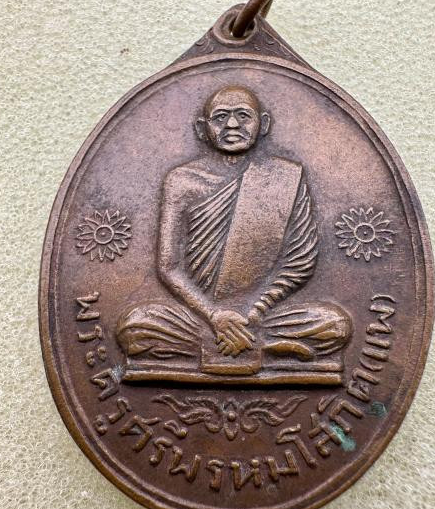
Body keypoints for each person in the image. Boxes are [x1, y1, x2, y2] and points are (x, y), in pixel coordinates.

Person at [117, 85, 351, 380]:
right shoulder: (182, 181)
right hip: (198, 316)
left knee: (334, 325)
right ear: (202, 129)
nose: (231, 125)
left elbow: (300, 262)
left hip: (263, 316)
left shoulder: (287, 176)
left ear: (263, 124)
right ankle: (265, 347)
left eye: (243, 115)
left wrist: (253, 313)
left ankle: (238, 340)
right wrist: (214, 315)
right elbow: (169, 267)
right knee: (135, 327)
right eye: (220, 117)